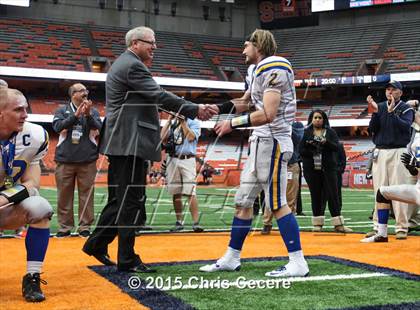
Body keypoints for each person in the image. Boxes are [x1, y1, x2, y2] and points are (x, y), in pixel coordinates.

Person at [82, 26, 217, 273]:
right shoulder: (133, 65)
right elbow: (159, 95)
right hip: (129, 140)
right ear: (135, 43)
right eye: (151, 42)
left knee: (120, 199)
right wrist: (194, 109)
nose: (155, 47)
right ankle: (127, 259)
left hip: (123, 140)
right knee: (131, 200)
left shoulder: (126, 63)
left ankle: (97, 244)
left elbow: (154, 97)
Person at [200, 29, 309, 278]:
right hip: (260, 142)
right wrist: (218, 108)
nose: (242, 50)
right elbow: (246, 101)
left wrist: (232, 123)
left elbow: (268, 113)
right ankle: (232, 257)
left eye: (246, 45)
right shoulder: (255, 70)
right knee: (242, 201)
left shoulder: (275, 66)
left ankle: (298, 261)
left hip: (273, 141)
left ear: (258, 45)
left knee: (277, 203)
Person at [0, 88, 53, 302]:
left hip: (6, 203)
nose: (25, 114)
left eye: (26, 108)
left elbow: (32, 184)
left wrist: (4, 198)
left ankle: (33, 276)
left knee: (40, 207)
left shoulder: (34, 135)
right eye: (18, 109)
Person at [362, 103, 420, 242]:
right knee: (381, 192)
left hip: (408, 169)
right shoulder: (415, 134)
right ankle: (380, 231)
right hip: (416, 184)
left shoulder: (406, 122)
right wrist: (413, 168)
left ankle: (402, 227)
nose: (417, 116)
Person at [52, 83, 102, 238]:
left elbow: (99, 127)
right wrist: (75, 116)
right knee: (64, 195)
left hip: (87, 160)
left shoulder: (93, 111)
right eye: (81, 91)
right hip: (65, 160)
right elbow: (57, 127)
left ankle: (84, 226)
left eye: (86, 90)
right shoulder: (62, 110)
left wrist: (87, 115)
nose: (85, 93)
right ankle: (65, 227)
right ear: (73, 95)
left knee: (86, 195)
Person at [300, 110, 352, 233]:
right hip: (312, 170)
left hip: (329, 169)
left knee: (333, 195)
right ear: (311, 119)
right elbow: (301, 150)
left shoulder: (331, 132)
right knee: (316, 195)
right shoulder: (306, 132)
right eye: (315, 117)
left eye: (320, 117)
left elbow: (336, 147)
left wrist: (326, 143)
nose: (317, 120)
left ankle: (338, 224)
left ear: (324, 119)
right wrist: (312, 148)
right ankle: (317, 224)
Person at [161, 114, 204, 232]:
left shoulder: (194, 122)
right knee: (176, 193)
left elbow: (190, 137)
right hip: (172, 159)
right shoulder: (174, 123)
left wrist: (183, 122)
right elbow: (162, 137)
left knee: (190, 192)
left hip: (187, 159)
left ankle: (196, 223)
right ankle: (179, 222)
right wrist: (169, 120)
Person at [261, 121, 304, 235]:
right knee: (270, 195)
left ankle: (288, 224)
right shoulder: (271, 125)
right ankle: (267, 223)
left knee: (291, 196)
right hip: (274, 164)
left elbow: (297, 139)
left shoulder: (297, 126)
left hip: (291, 164)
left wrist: (286, 125)